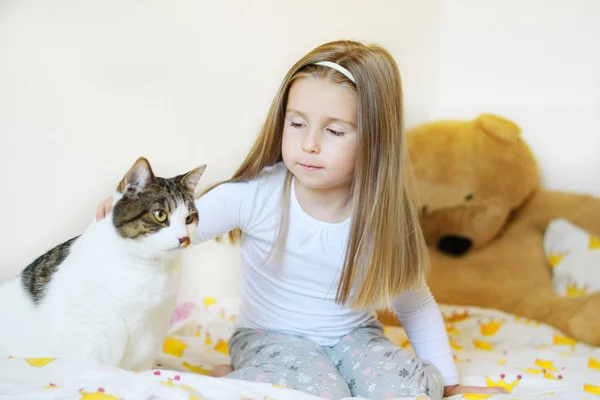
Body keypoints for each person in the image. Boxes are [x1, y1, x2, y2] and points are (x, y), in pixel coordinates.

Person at [97, 40, 506, 400]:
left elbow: (415, 304)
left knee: (407, 391)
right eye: (297, 124)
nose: (309, 144)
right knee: (314, 393)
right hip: (270, 338)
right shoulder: (256, 195)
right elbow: (172, 226)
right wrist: (116, 217)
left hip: (355, 338)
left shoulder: (382, 218)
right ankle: (238, 375)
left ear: (375, 141)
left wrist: (449, 385)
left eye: (334, 131)